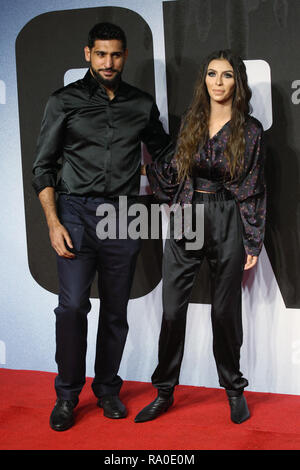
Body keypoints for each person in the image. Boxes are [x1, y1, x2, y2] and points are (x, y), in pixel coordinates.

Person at [32, 22, 173, 431]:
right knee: (72, 307)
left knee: (115, 310)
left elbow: (162, 148)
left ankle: (108, 389)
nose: (108, 62)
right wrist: (53, 222)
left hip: (124, 214)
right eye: (101, 54)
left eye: (115, 54)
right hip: (74, 212)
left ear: (124, 56)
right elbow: (42, 166)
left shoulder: (141, 104)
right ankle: (67, 395)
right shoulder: (64, 102)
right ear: (87, 54)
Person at [135, 49, 266, 424]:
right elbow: (175, 170)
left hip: (228, 218)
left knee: (225, 313)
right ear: (204, 80)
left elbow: (254, 187)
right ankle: (164, 392)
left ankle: (234, 390)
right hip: (188, 216)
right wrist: (144, 169)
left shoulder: (250, 131)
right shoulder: (191, 122)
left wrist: (252, 238)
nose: (218, 82)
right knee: (173, 310)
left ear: (237, 82)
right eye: (212, 74)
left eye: (226, 75)